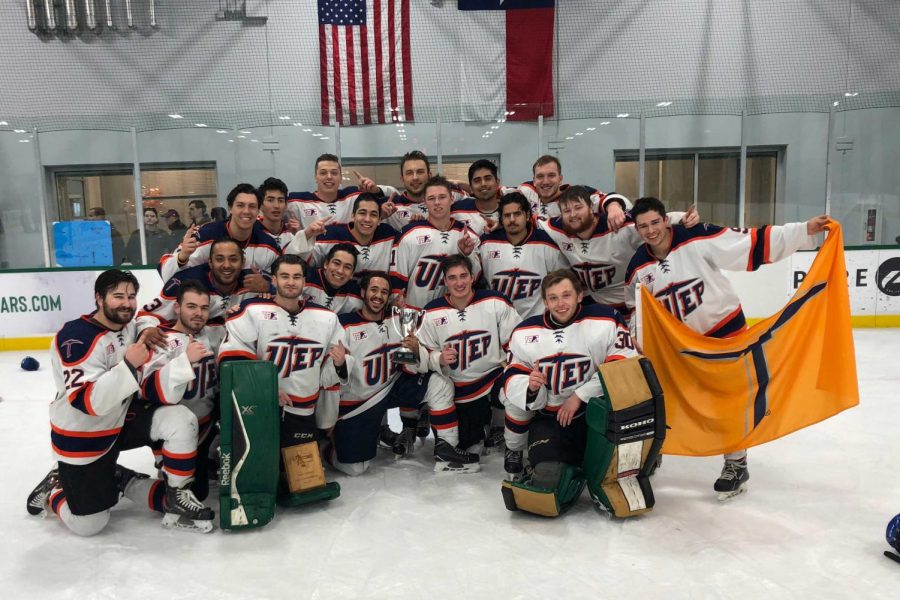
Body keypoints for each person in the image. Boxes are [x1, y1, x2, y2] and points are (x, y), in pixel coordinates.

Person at [623, 196, 829, 499]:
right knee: (667, 400)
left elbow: (750, 242)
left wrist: (803, 230)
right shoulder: (638, 266)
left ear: (667, 220)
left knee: (730, 402)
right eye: (644, 226)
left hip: (725, 336)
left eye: (656, 222)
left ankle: (737, 464)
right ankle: (659, 449)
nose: (651, 230)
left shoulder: (697, 237)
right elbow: (634, 308)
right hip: (679, 348)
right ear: (637, 230)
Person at [25, 270, 214, 535]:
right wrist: (128, 364)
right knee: (89, 525)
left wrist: (148, 328)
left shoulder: (126, 324)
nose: (126, 303)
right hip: (85, 434)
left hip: (121, 420)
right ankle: (56, 488)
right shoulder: (76, 338)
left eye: (131, 296)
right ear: (99, 299)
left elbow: (143, 319)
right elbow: (87, 402)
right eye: (118, 296)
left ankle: (176, 495)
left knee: (180, 418)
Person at [331, 272, 479, 475]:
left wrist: (416, 351)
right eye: (374, 290)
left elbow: (408, 366)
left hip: (392, 388)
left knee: (439, 383)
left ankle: (447, 449)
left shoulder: (400, 320)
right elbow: (332, 374)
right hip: (360, 403)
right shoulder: (343, 323)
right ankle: (326, 445)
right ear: (363, 292)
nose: (378, 296)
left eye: (384, 292)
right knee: (355, 469)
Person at [218, 255, 352, 476]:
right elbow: (232, 359)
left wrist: (340, 364)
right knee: (259, 478)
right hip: (260, 409)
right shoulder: (251, 310)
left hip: (302, 412)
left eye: (297, 277)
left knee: (302, 484)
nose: (291, 282)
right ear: (274, 279)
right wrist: (267, 389)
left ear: (304, 281)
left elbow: (333, 374)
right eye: (285, 276)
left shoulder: (326, 318)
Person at [501, 269, 636, 483]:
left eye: (566, 295)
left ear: (579, 295)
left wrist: (580, 396)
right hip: (551, 418)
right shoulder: (524, 332)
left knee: (611, 475)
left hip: (597, 413)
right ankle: (517, 449)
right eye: (553, 298)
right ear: (545, 302)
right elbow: (510, 377)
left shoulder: (606, 319)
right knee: (548, 478)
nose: (560, 304)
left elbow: (623, 363)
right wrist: (531, 387)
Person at [418, 255, 521, 455]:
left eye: (463, 276)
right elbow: (421, 354)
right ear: (445, 281)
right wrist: (438, 358)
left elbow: (516, 344)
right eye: (453, 278)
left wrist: (512, 371)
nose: (459, 282)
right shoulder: (430, 312)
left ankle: (515, 446)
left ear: (472, 277)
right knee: (470, 447)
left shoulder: (495, 302)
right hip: (457, 388)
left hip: (492, 378)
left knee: (520, 390)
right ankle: (483, 426)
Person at [538, 185, 698, 313]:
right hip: (597, 309)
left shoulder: (620, 225)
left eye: (578, 207)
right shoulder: (558, 228)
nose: (572, 214)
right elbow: (526, 220)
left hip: (636, 305)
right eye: (566, 211)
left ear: (591, 207)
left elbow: (656, 220)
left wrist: (686, 217)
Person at [139, 279, 223, 502]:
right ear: (177, 308)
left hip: (206, 427)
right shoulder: (161, 340)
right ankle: (125, 480)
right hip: (174, 431)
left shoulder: (211, 335)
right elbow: (150, 390)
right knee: (192, 495)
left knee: (200, 491)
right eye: (191, 306)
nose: (199, 313)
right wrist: (186, 360)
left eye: (204, 308)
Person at [159, 183, 280, 290]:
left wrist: (268, 286)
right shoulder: (205, 235)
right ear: (230, 208)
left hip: (245, 309)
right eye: (240, 205)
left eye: (252, 206)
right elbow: (166, 274)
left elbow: (285, 284)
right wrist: (182, 257)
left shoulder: (269, 245)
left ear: (259, 210)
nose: (246, 211)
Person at [390, 175, 481, 310]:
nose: (437, 202)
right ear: (424, 202)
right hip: (417, 314)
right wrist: (396, 302)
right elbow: (397, 280)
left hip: (455, 313)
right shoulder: (408, 233)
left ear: (451, 199)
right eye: (431, 198)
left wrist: (466, 255)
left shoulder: (468, 234)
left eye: (442, 197)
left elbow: (477, 278)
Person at [138, 237, 264, 329]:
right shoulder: (185, 282)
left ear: (243, 263)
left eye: (233, 259)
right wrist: (147, 329)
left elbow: (281, 292)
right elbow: (146, 315)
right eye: (219, 259)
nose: (227, 265)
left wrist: (269, 288)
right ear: (210, 263)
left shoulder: (255, 282)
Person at [480, 193, 568, 318]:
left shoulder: (547, 242)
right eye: (507, 215)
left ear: (527, 216)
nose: (512, 220)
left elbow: (561, 282)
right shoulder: (486, 242)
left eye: (517, 214)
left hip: (537, 323)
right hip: (497, 320)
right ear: (501, 219)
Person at [291, 193, 397, 281]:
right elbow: (299, 262)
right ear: (352, 216)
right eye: (362, 213)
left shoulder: (388, 235)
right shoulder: (330, 235)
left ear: (379, 219)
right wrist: (307, 234)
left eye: (373, 215)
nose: (367, 219)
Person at [517, 155, 629, 227]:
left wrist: (613, 207)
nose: (545, 181)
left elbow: (607, 198)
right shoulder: (525, 191)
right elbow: (500, 192)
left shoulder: (576, 196)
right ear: (534, 180)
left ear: (560, 179)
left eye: (551, 175)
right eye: (540, 176)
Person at [380, 150, 471, 231]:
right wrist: (380, 215)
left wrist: (457, 182)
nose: (415, 177)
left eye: (420, 172)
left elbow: (477, 196)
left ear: (429, 175)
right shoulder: (390, 207)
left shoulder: (450, 193)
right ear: (402, 179)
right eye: (409, 173)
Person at [286, 154, 382, 229]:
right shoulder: (297, 201)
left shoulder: (353, 196)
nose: (329, 177)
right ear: (315, 177)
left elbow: (383, 205)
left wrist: (374, 190)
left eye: (334, 173)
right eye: (323, 173)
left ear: (341, 178)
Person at [303, 243, 364, 314]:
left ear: (352, 274)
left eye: (347, 267)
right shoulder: (304, 279)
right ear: (326, 264)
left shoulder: (356, 296)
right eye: (336, 263)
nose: (340, 271)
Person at [258, 177, 299, 249]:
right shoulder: (252, 232)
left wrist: (298, 237)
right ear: (260, 205)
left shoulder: (293, 233)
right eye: (270, 200)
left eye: (280, 200)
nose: (276, 206)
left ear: (286, 205)